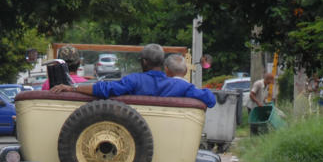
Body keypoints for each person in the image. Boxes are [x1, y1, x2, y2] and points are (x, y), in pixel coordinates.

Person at [51, 43, 217, 108]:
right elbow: (210, 100)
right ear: (163, 64)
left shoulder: (134, 80)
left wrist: (73, 87)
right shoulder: (180, 86)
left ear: (144, 62)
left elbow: (105, 89)